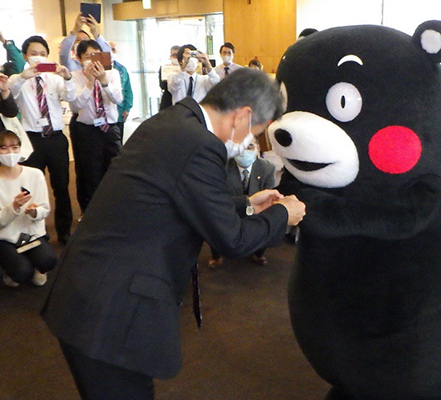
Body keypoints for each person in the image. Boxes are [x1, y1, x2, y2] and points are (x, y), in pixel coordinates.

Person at [41, 68, 306, 399]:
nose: (251, 142)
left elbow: (180, 195)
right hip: (109, 312)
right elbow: (233, 241)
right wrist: (284, 213)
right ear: (243, 116)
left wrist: (247, 204)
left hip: (89, 291)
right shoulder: (200, 145)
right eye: (255, 132)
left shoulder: (175, 121)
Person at [7, 36, 75, 244]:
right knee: (29, 187)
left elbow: (70, 97)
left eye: (43, 54)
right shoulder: (18, 79)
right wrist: (23, 76)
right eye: (34, 53)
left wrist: (68, 78)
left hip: (55, 138)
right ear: (26, 55)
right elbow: (11, 93)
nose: (38, 57)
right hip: (31, 139)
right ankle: (37, 230)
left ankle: (64, 229)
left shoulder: (54, 78)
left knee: (61, 185)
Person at [69, 39, 123, 213]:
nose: (93, 60)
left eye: (96, 55)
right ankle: (93, 213)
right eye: (87, 56)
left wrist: (103, 81)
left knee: (115, 169)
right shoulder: (75, 76)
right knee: (91, 173)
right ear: (78, 58)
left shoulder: (112, 73)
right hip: (88, 130)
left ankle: (115, 210)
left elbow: (117, 99)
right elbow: (76, 105)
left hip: (110, 128)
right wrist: (90, 83)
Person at [0, 130, 57, 287]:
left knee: (48, 261)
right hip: (5, 237)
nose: (10, 152)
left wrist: (35, 212)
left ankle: (38, 267)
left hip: (32, 234)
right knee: (21, 273)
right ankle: (10, 268)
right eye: (3, 148)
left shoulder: (34, 174)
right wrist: (14, 207)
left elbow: (45, 209)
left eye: (14, 147)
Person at [209, 137, 276, 267]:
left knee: (270, 219)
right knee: (213, 219)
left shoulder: (268, 168)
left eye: (250, 146)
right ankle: (216, 256)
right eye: (240, 146)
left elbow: (269, 195)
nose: (244, 151)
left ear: (257, 149)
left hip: (257, 209)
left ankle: (258, 254)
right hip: (230, 208)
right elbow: (218, 198)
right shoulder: (221, 167)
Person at [108, 41, 133, 134]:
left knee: (117, 144)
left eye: (113, 49)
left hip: (119, 112)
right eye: (108, 49)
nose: (111, 52)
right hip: (104, 115)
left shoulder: (122, 69)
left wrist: (127, 108)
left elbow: (128, 90)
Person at [159, 45, 180, 111]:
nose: (175, 57)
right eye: (173, 55)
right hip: (167, 100)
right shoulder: (165, 69)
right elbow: (162, 85)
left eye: (177, 55)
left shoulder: (185, 70)